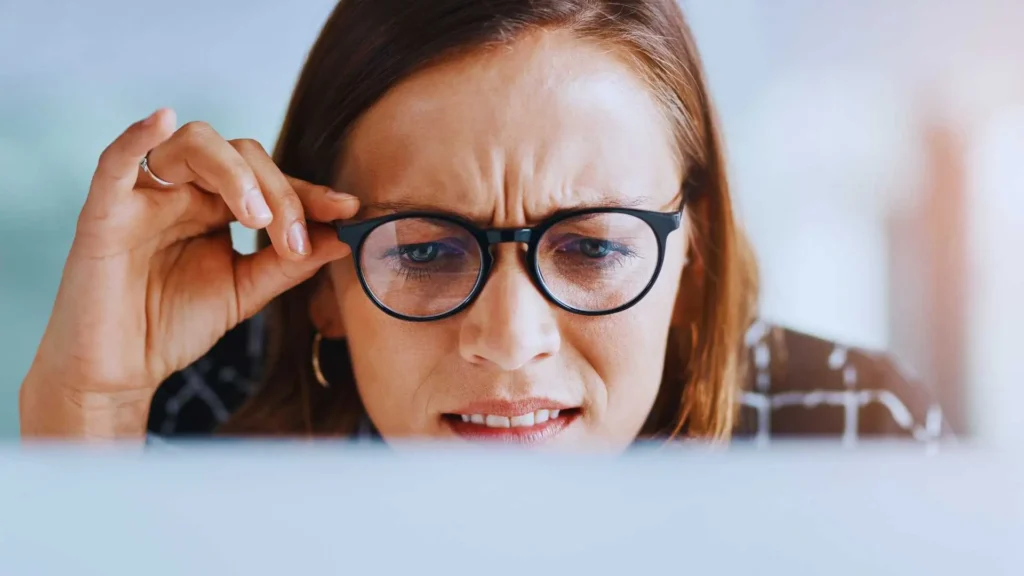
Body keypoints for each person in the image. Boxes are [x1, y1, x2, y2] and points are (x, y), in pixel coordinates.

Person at [18, 0, 948, 447]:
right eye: (422, 248)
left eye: (591, 246)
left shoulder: (849, 431)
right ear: (324, 286)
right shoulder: (200, 422)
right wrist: (90, 407)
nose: (508, 342)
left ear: (688, 267)